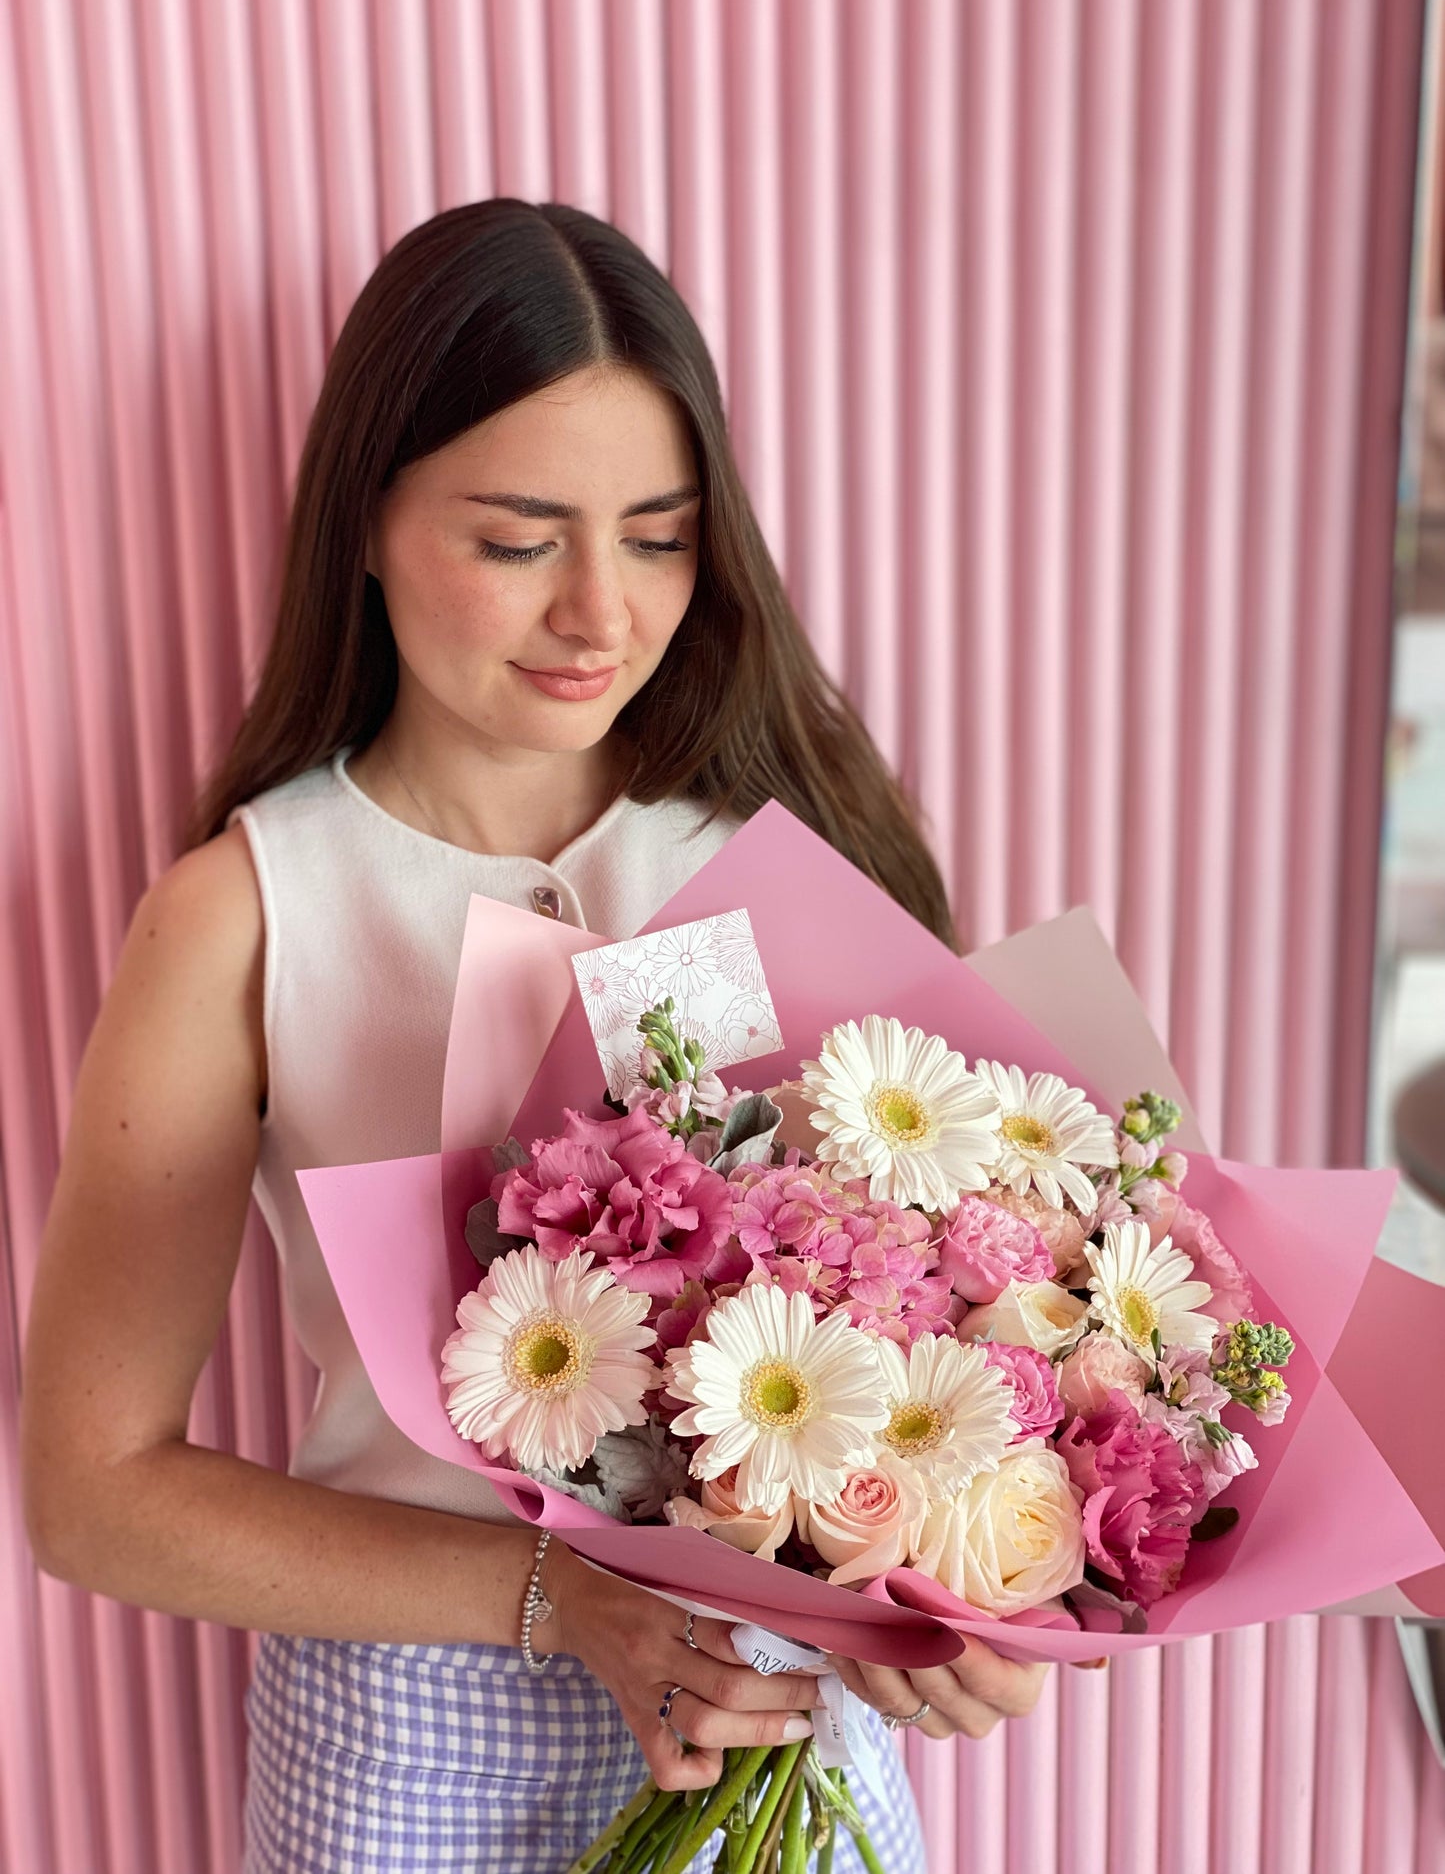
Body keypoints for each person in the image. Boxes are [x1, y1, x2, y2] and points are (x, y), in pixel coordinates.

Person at [20, 199, 1059, 1872]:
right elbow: (95, 1491)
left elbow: (958, 1335)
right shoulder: (246, 914)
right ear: (361, 523)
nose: (599, 612)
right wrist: (554, 1601)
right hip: (406, 1728)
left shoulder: (776, 862)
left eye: (656, 536)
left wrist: (978, 1594)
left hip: (768, 1724)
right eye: (517, 541)